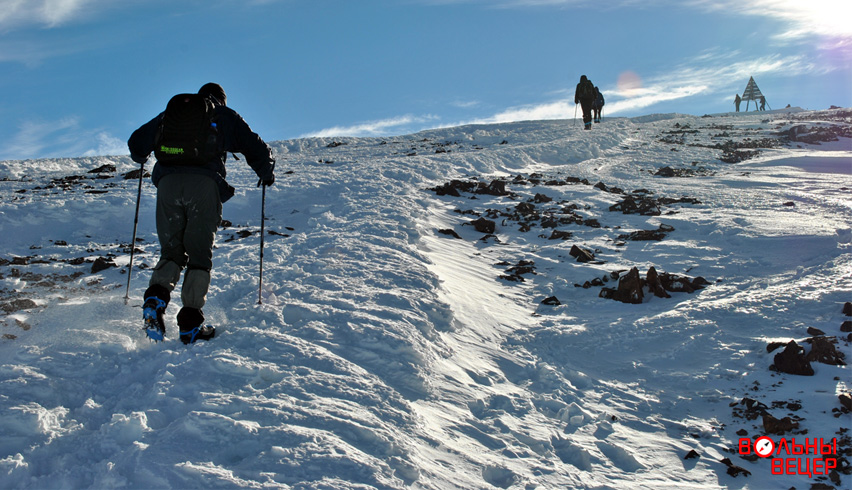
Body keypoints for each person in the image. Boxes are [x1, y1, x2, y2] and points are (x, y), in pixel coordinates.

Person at [128, 82, 275, 344]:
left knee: (171, 251)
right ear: (221, 100)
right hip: (203, 186)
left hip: (167, 186)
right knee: (198, 254)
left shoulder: (169, 115)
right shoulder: (221, 114)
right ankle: (190, 324)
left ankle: (155, 300)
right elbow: (255, 146)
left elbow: (137, 143)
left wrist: (141, 156)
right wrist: (266, 172)